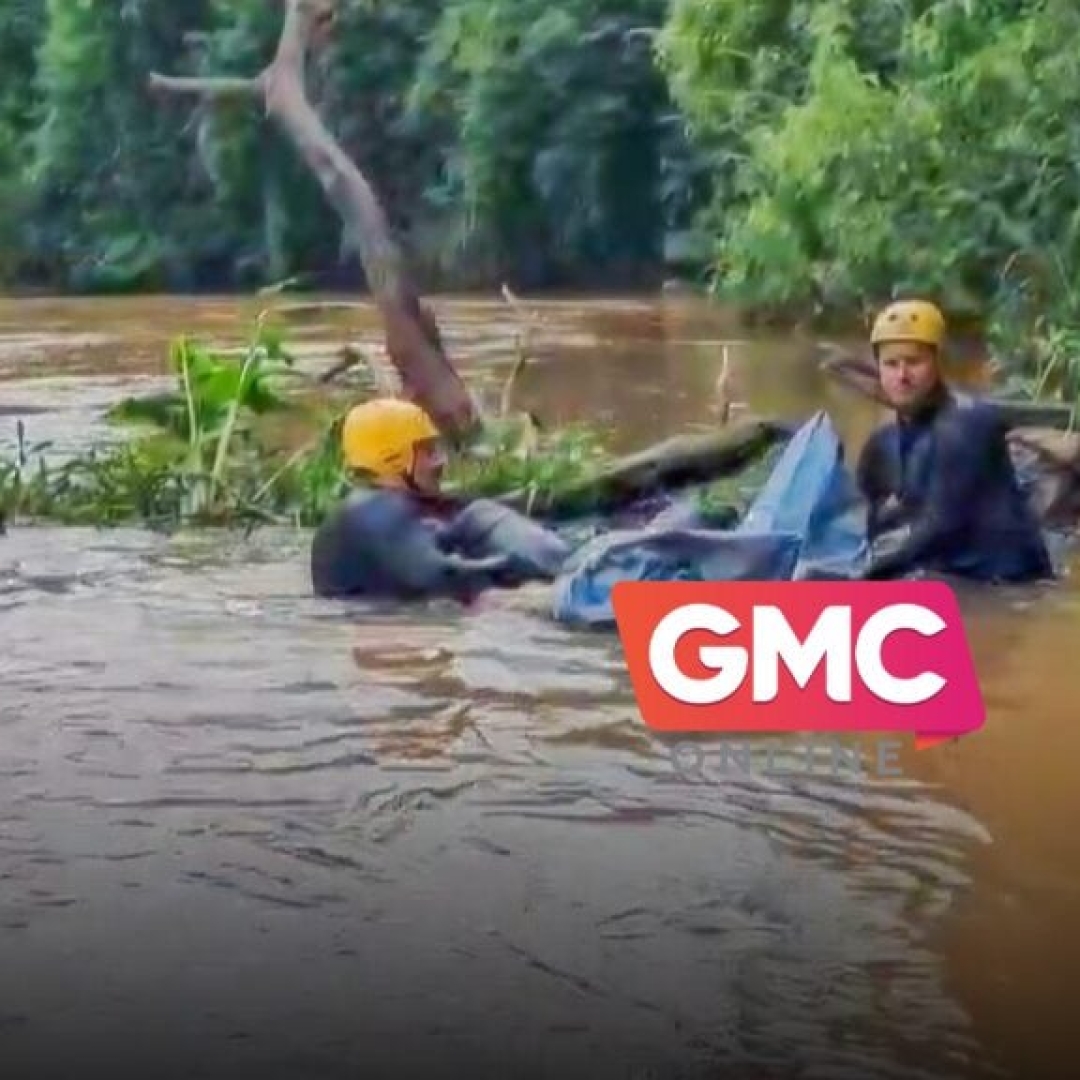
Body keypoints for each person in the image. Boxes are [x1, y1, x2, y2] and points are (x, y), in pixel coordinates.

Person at [855, 299, 1054, 582]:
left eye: (914, 362)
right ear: (879, 369)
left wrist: (864, 579)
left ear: (938, 363)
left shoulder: (966, 424)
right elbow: (874, 521)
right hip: (949, 572)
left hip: (1004, 584)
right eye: (891, 364)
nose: (902, 376)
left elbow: (941, 525)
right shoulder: (881, 446)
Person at [310, 397, 568, 601]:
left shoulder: (378, 508)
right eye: (428, 452)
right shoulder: (376, 512)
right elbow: (443, 578)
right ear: (393, 459)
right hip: (391, 625)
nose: (441, 462)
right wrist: (525, 575)